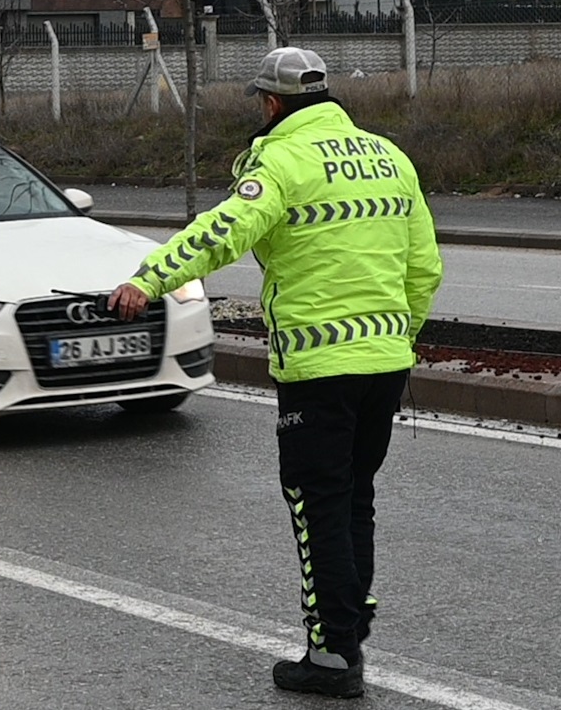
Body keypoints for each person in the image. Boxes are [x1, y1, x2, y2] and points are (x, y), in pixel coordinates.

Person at [106, 47, 444, 698]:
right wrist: (398, 337)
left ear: (270, 104)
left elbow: (223, 233)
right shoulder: (388, 157)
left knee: (319, 506)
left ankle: (331, 656)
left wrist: (148, 281)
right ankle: (348, 632)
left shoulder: (282, 160)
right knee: (354, 500)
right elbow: (424, 267)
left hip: (319, 367)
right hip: (384, 363)